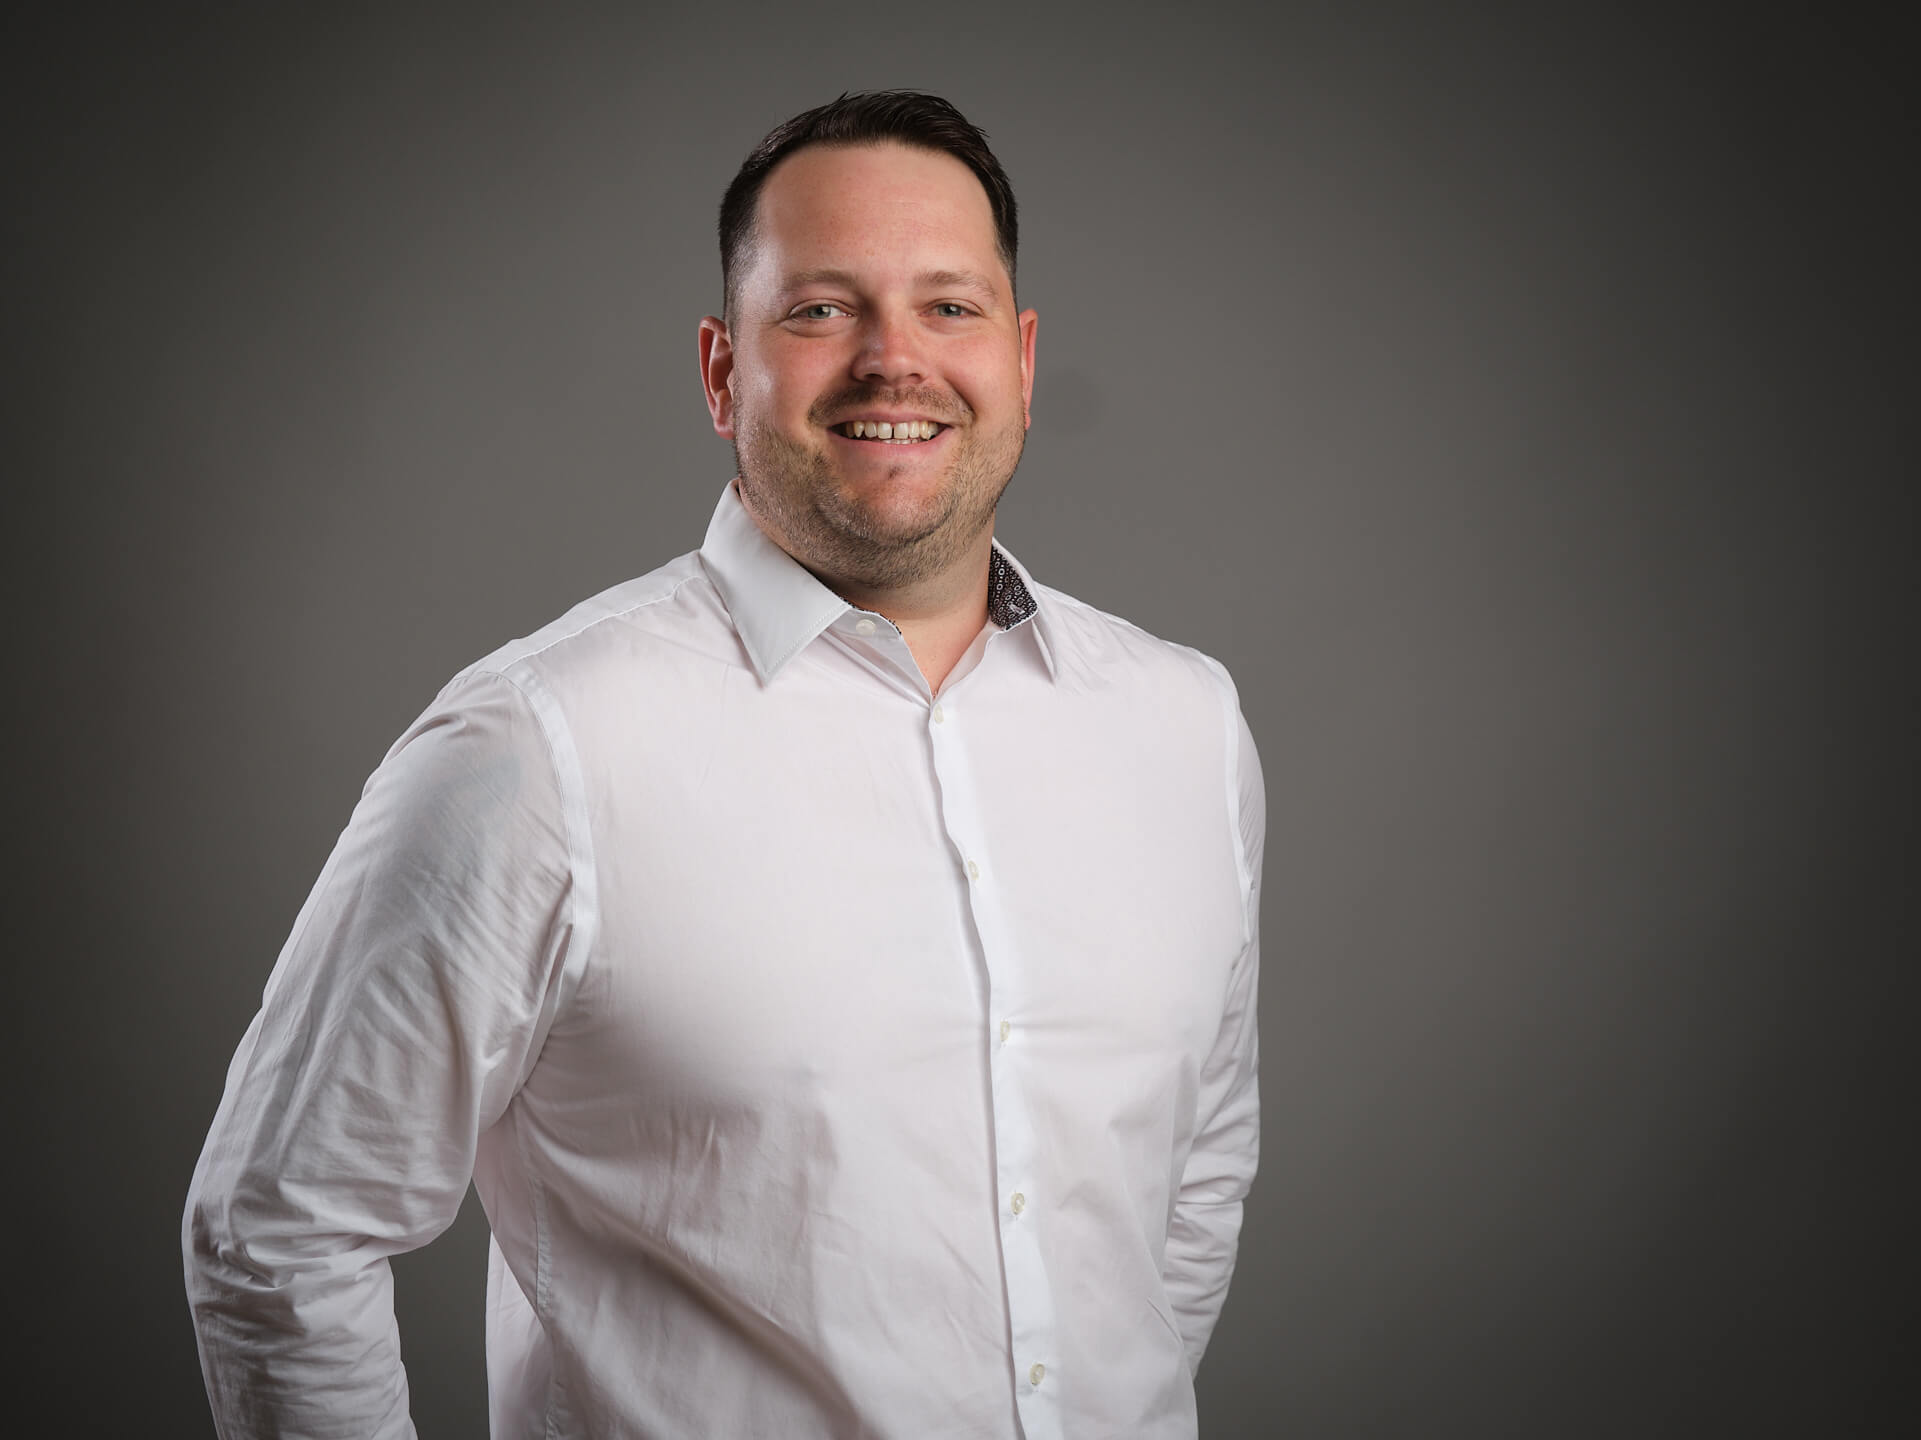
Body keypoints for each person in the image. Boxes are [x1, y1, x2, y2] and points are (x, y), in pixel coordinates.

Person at [184, 89, 1264, 1439]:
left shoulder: (1185, 727)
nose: (894, 360)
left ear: (1023, 359)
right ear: (719, 372)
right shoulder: (537, 749)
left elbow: (1188, 1188)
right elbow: (279, 1231)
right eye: (820, 310)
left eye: (950, 306)